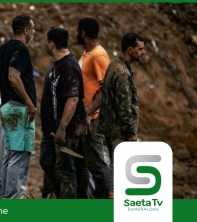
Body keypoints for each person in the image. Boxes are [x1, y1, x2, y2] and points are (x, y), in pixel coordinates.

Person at [0, 14, 37, 199]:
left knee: (9, 156)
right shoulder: (21, 48)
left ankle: (5, 198)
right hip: (19, 108)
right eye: (33, 29)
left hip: (8, 107)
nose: (34, 32)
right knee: (19, 156)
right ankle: (11, 200)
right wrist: (28, 102)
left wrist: (6, 90)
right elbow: (13, 76)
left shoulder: (4, 48)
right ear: (26, 30)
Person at [39, 27, 88, 198]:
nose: (45, 44)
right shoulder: (57, 65)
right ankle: (63, 197)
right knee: (46, 161)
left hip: (66, 129)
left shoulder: (68, 67)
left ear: (51, 44)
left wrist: (62, 128)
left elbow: (73, 99)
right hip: (51, 130)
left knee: (66, 170)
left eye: (46, 41)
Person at [99, 32, 145, 199]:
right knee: (118, 167)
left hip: (111, 128)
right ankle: (113, 200)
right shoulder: (122, 72)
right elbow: (124, 106)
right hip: (120, 131)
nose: (143, 52)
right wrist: (131, 131)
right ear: (130, 49)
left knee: (115, 165)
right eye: (140, 49)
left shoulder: (115, 65)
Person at [76, 17, 111, 198]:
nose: (75, 33)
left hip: (93, 120)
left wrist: (89, 113)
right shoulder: (87, 54)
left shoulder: (98, 55)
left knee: (98, 168)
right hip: (85, 120)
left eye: (77, 30)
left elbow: (106, 91)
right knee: (87, 166)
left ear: (83, 33)